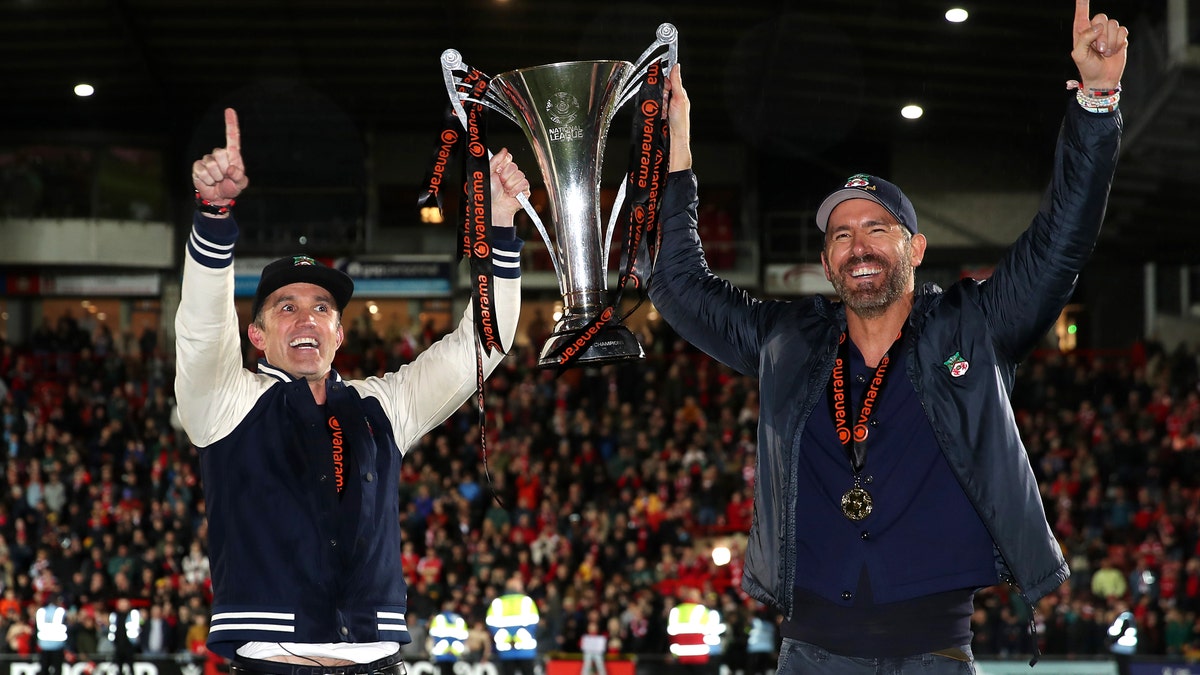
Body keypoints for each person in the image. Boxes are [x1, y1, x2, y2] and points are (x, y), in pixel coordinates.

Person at [649, 1, 1127, 672]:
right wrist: (678, 146)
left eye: (877, 227)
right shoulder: (788, 341)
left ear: (917, 246)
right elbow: (677, 285)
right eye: (840, 234)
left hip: (933, 652)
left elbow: (1060, 242)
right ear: (825, 264)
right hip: (809, 652)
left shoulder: (973, 327)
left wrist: (1097, 103)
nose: (858, 245)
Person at [175, 108, 529, 675]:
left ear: (339, 332)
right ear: (257, 334)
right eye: (285, 308)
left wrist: (501, 228)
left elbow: (481, 346)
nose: (306, 320)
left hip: (380, 661)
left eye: (321, 308)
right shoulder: (225, 402)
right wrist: (215, 215)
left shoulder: (382, 406)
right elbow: (199, 332)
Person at [35, 594, 69, 675]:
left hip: (44, 645)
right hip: (57, 645)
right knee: (57, 670)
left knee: (44, 669)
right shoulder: (61, 611)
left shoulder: (41, 611)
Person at [107, 598, 140, 675]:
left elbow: (138, 626)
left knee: (131, 666)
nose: (123, 606)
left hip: (129, 645)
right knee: (118, 667)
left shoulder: (133, 614)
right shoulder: (114, 616)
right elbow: (112, 629)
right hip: (118, 645)